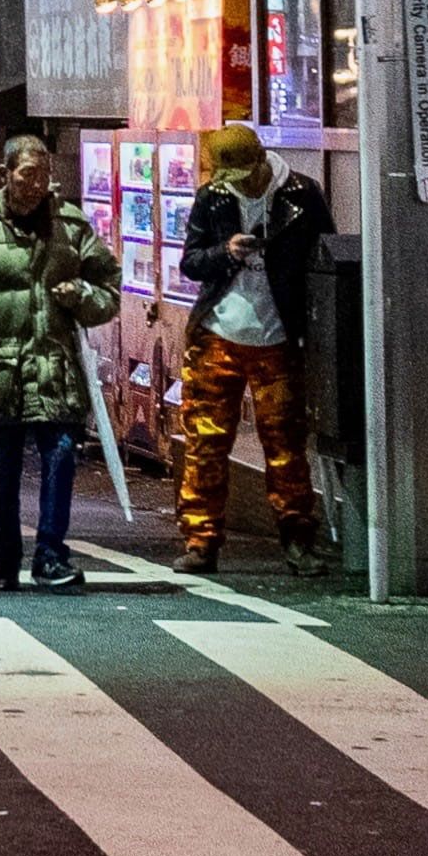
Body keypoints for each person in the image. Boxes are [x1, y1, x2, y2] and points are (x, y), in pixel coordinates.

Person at [0, 133, 119, 592]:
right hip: (0, 371)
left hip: (55, 368)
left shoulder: (71, 226)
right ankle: (6, 560)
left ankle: (51, 557)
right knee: (4, 466)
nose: (37, 184)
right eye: (27, 174)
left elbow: (109, 290)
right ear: (6, 174)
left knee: (60, 455)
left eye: (44, 174)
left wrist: (81, 295)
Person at [170, 126, 329, 569]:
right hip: (217, 333)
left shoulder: (302, 195)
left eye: (243, 174)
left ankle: (298, 537)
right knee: (205, 441)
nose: (237, 184)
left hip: (278, 336)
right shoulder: (214, 197)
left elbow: (324, 264)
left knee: (286, 443)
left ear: (261, 160)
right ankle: (201, 540)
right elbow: (191, 261)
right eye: (229, 177)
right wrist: (227, 251)